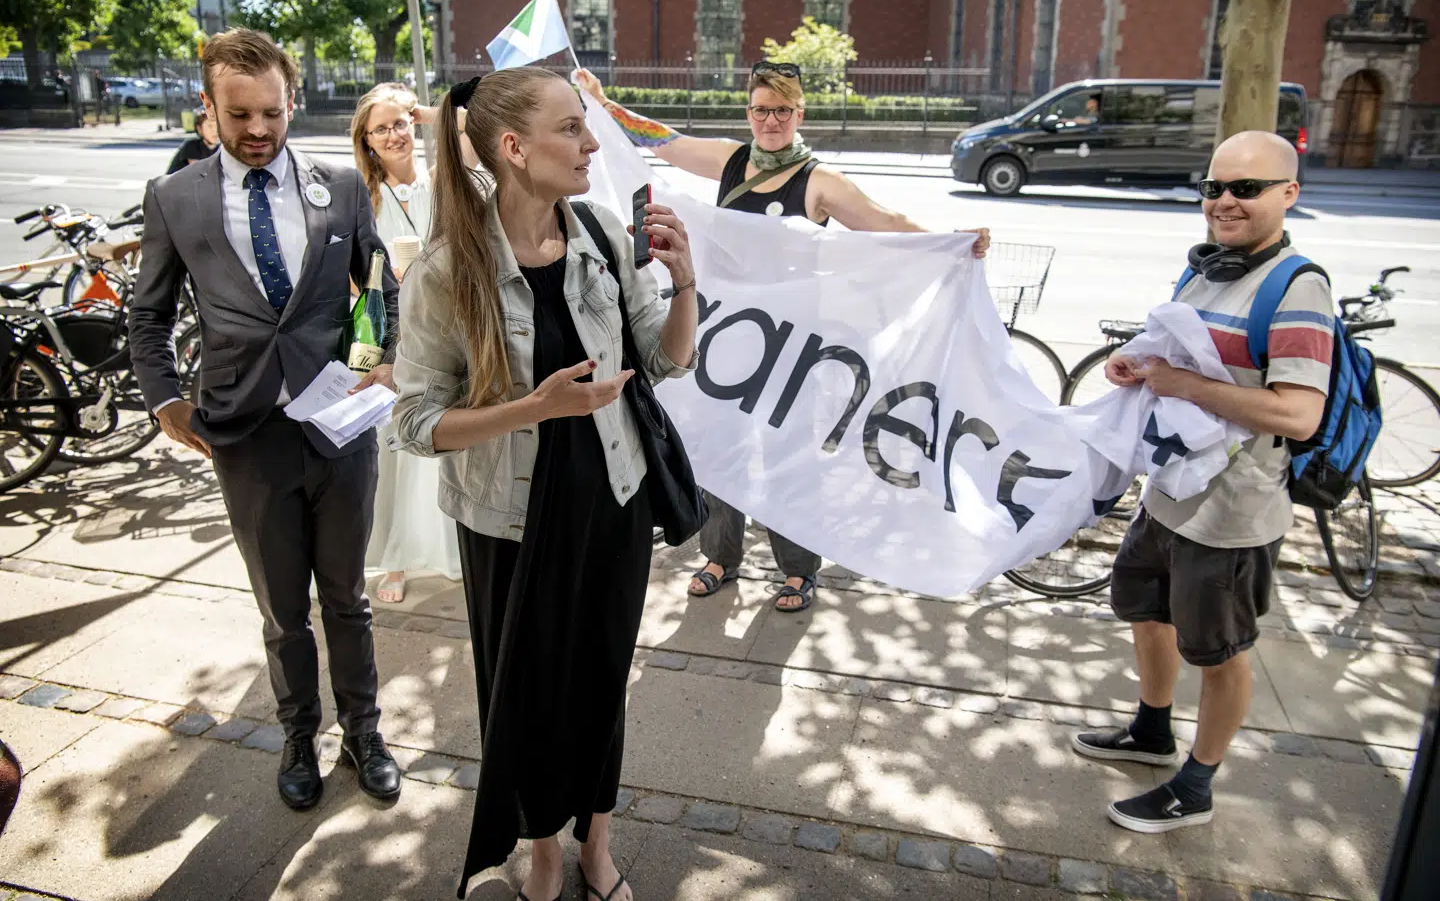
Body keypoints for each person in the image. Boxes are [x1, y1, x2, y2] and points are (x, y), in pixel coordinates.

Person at [391, 67, 698, 901]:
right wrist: (533, 407)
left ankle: (596, 844)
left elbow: (664, 361)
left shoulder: (600, 234)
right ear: (514, 148)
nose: (591, 143)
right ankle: (544, 855)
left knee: (601, 683)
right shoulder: (447, 271)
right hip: (508, 520)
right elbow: (414, 421)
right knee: (523, 696)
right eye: (571, 128)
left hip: (613, 504)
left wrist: (685, 284)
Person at [576, 60, 991, 612]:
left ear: (799, 113)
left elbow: (886, 223)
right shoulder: (730, 160)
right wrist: (603, 106)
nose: (770, 121)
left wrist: (949, 240)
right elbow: (663, 142)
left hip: (789, 348)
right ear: (748, 112)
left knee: (787, 454)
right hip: (728, 337)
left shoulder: (818, 181)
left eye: (781, 110)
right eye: (760, 110)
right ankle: (720, 556)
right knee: (719, 443)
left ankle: (798, 570)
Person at [128, 28, 403, 812]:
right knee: (283, 613)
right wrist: (164, 398)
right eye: (240, 114)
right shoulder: (175, 198)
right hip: (245, 437)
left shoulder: (341, 185)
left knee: (347, 598)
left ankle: (364, 733)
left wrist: (373, 357)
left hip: (339, 430)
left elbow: (377, 284)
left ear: (292, 101)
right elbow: (147, 316)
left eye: (272, 113)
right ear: (208, 107)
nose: (258, 130)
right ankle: (298, 735)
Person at [1071, 131, 1333, 833]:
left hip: (1230, 518)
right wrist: (1137, 365)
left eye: (1246, 188)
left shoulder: (1297, 287)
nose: (1225, 201)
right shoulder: (1206, 269)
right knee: (1146, 611)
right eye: (1214, 187)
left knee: (1220, 652)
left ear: (1288, 193)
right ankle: (1152, 731)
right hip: (1168, 493)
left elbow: (1298, 414)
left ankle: (1196, 785)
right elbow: (1179, 357)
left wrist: (1182, 383)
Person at [350, 82, 462, 603]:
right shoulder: (362, 196)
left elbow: (482, 133)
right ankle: (395, 557)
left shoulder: (443, 183)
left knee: (440, 434)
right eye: (381, 129)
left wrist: (431, 113)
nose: (394, 135)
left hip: (444, 321)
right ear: (367, 140)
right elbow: (350, 276)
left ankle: (444, 545)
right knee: (394, 445)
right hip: (394, 331)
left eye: (400, 123)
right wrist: (384, 280)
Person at [166, 107, 219, 174]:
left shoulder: (219, 148)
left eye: (217, 126)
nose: (215, 130)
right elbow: (200, 174)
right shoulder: (191, 146)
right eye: (210, 126)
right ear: (199, 128)